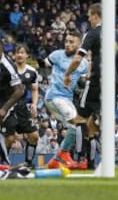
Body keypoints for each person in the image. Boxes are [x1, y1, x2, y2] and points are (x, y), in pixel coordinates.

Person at [63, 3, 118, 168]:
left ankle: (79, 159)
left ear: (95, 15)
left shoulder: (92, 34)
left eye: (89, 15)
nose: (88, 18)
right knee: (94, 126)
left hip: (96, 81)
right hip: (113, 83)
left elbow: (78, 58)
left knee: (80, 118)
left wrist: (67, 74)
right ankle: (92, 162)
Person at [44, 31, 89, 169]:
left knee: (77, 128)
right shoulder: (57, 55)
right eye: (66, 41)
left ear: (79, 45)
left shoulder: (84, 63)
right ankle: (63, 154)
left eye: (71, 42)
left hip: (67, 99)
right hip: (55, 97)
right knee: (77, 126)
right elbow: (44, 64)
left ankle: (56, 159)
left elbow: (82, 82)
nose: (67, 44)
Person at [6, 43, 39, 168]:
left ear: (27, 55)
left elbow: (35, 90)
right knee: (9, 138)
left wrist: (34, 105)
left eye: (22, 52)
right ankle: (3, 162)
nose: (19, 55)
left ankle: (28, 163)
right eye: (17, 52)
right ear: (14, 55)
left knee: (34, 136)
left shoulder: (32, 72)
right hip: (8, 108)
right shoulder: (8, 70)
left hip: (22, 108)